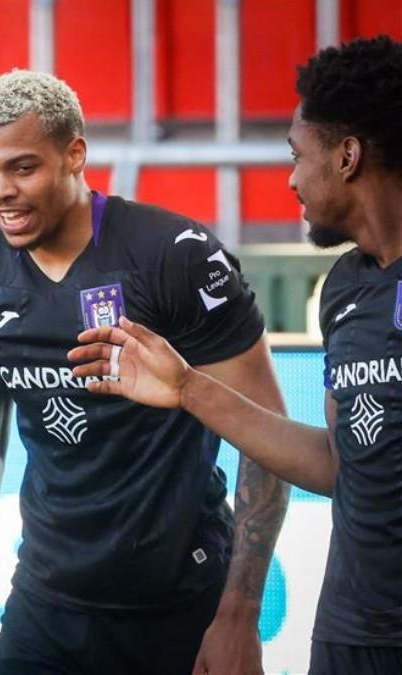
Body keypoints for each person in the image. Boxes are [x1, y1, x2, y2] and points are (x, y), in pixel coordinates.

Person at [0, 69, 291, 675]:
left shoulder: (176, 256)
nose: (0, 191)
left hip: (180, 607)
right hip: (46, 602)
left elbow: (269, 442)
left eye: (23, 167)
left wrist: (238, 616)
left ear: (75, 154)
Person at [69, 35, 402, 675]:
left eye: (298, 156)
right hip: (349, 633)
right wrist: (189, 389)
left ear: (348, 157)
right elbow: (341, 463)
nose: (290, 177)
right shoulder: (344, 290)